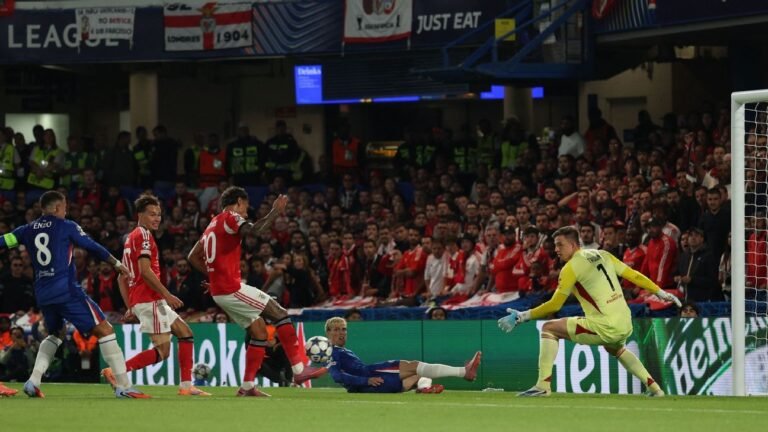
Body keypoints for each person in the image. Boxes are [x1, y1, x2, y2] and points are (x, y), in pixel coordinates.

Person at [497, 226, 681, 397]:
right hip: (625, 321)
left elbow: (555, 305)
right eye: (555, 245)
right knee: (615, 347)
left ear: (573, 244)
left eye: (560, 245)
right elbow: (633, 275)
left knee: (549, 328)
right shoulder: (603, 254)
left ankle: (542, 386)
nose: (557, 250)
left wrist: (523, 316)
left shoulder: (570, 268)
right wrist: (660, 292)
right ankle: (655, 389)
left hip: (605, 325)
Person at [0, 191, 147, 398]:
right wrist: (116, 263)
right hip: (66, 291)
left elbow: (3, 241)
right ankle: (124, 386)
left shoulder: (26, 230)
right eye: (64, 207)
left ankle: (33, 381)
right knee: (106, 330)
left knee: (56, 333)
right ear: (56, 208)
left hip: (43, 293)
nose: (65, 211)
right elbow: (91, 246)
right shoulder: (66, 226)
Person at [187, 186, 325, 397]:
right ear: (238, 202)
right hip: (230, 288)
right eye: (246, 206)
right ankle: (299, 370)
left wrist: (214, 278)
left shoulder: (212, 224)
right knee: (280, 314)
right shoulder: (231, 217)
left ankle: (247, 386)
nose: (246, 212)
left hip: (222, 289)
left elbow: (193, 256)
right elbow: (255, 231)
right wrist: (275, 212)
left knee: (259, 331)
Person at [102, 194, 210, 397]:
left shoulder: (130, 238)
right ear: (140, 215)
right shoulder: (143, 236)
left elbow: (121, 278)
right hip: (149, 300)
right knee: (163, 351)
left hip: (146, 300)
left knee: (185, 333)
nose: (157, 218)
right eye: (152, 214)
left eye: (159, 214)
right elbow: (145, 271)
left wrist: (130, 306)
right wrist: (167, 294)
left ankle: (187, 386)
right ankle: (116, 373)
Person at [325, 317, 480, 394]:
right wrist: (366, 380)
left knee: (419, 375)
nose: (341, 333)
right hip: (371, 376)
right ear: (328, 333)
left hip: (370, 384)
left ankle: (424, 388)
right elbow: (337, 376)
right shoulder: (332, 352)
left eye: (344, 329)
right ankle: (464, 372)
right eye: (337, 329)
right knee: (414, 366)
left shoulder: (341, 351)